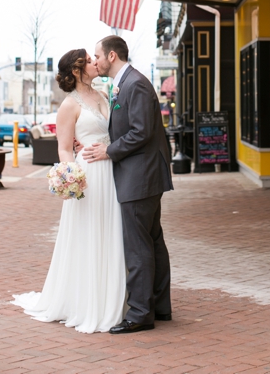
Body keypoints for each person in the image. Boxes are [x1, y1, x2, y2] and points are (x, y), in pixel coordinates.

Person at [12, 49, 125, 333]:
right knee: (89, 235)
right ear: (76, 71)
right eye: (88, 60)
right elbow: (64, 147)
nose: (93, 62)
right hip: (88, 176)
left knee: (111, 232)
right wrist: (71, 174)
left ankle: (113, 296)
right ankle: (86, 301)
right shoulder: (69, 105)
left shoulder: (103, 94)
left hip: (111, 172)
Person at [82, 35, 174, 334]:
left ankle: (140, 314)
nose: (94, 61)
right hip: (142, 174)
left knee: (138, 246)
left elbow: (141, 132)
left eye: (96, 56)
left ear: (111, 55)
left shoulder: (135, 84)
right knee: (152, 241)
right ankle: (158, 308)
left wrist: (108, 150)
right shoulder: (126, 83)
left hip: (141, 175)